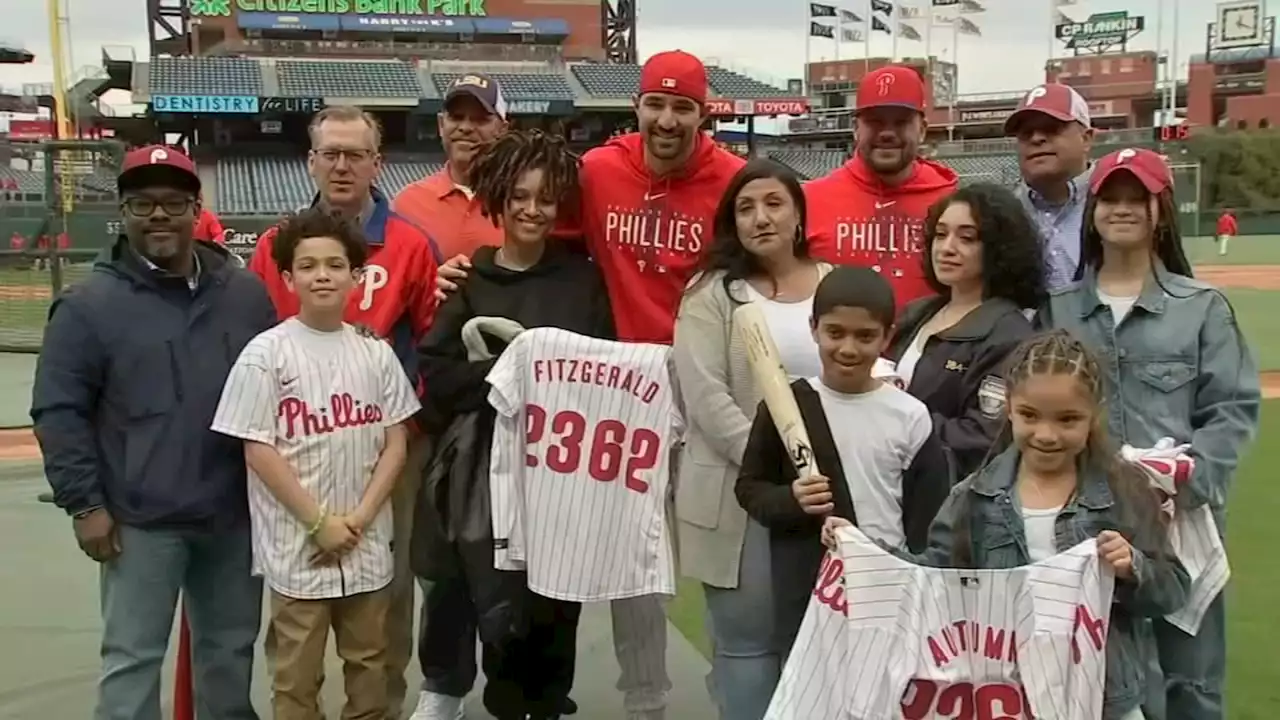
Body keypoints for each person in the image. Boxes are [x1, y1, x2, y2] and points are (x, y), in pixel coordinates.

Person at [433, 49, 745, 720]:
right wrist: (468, 268)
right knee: (621, 557)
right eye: (656, 104)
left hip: (701, 389)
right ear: (636, 106)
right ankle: (644, 703)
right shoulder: (600, 170)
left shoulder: (733, 181)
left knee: (722, 564)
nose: (667, 119)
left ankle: (735, 698)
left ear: (703, 113)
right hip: (611, 397)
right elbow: (534, 229)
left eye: (683, 107)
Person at [29, 144, 275, 720]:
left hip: (231, 517)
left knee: (229, 658)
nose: (158, 215)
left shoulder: (244, 294)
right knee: (132, 660)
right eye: (143, 203)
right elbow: (58, 411)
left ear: (197, 209)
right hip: (137, 521)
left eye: (172, 202)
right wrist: (84, 503)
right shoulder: (88, 303)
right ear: (124, 212)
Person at [832, 330, 1191, 720]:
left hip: (1103, 698)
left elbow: (1172, 591)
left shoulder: (1125, 490)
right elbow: (931, 580)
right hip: (1005, 695)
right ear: (1009, 409)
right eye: (1030, 416)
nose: (1047, 435)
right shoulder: (973, 497)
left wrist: (1131, 566)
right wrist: (861, 550)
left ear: (1095, 414)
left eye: (1068, 419)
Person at [1039, 147, 1261, 720]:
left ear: (1160, 210)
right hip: (1083, 526)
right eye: (1109, 198)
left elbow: (1231, 410)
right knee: (1092, 680)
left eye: (1135, 198)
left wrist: (1184, 481)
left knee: (1190, 682)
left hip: (1179, 529)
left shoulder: (1202, 308)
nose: (1121, 209)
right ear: (1091, 212)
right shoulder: (1059, 310)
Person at [411, 128, 611, 720]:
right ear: (498, 197)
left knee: (549, 602)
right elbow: (438, 375)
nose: (532, 209)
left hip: (556, 472)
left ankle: (537, 703)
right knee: (462, 587)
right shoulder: (469, 278)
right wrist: (509, 373)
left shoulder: (582, 280)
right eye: (519, 196)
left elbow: (600, 371)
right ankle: (445, 689)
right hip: (476, 470)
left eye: (544, 197)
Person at [246, 104, 440, 716]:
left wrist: (403, 428)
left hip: (385, 446)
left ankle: (386, 706)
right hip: (295, 447)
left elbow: (431, 340)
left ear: (376, 163)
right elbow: (255, 333)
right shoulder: (277, 243)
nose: (341, 165)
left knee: (387, 599)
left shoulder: (409, 243)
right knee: (295, 612)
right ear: (311, 160)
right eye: (329, 152)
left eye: (355, 154)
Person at [212, 208, 421, 720]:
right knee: (296, 682)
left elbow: (397, 442)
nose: (322, 275)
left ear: (358, 275)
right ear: (287, 278)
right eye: (308, 266)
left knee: (371, 672)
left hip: (366, 546)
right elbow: (257, 448)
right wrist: (319, 521)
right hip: (299, 550)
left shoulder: (376, 354)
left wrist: (359, 519)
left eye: (335, 264)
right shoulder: (267, 354)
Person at [671, 159, 830, 720]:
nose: (760, 218)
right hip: (737, 496)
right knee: (746, 649)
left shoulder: (833, 282)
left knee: (820, 645)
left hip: (825, 498)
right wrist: (774, 471)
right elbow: (705, 397)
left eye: (773, 204)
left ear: (797, 215)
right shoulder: (711, 293)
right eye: (745, 207)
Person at [734, 266, 952, 654]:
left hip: (888, 584)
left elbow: (929, 517)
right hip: (809, 589)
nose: (848, 348)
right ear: (814, 328)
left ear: (887, 336)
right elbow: (750, 489)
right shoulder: (788, 407)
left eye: (865, 336)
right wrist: (793, 500)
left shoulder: (910, 415)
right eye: (835, 332)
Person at [885, 183, 1045, 478]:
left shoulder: (1009, 336)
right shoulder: (916, 313)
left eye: (967, 238)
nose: (947, 248)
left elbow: (983, 437)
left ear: (998, 248)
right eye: (941, 234)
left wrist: (893, 418)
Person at [804, 65, 958, 308]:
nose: (887, 133)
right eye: (875, 122)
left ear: (922, 130)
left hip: (927, 344)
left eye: (901, 122)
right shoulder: (808, 200)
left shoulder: (952, 203)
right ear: (856, 129)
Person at [394, 73, 509, 263]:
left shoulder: (522, 203)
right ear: (441, 124)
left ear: (502, 130)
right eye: (456, 117)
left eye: (480, 119)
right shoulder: (407, 205)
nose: (465, 127)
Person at [1004, 83, 1095, 289]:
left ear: (1086, 138)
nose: (1037, 138)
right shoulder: (1002, 212)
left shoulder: (1117, 204)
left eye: (1052, 128)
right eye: (1025, 132)